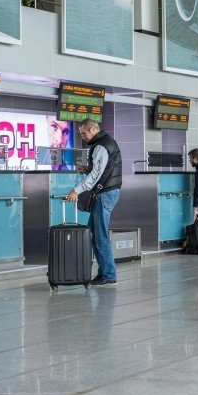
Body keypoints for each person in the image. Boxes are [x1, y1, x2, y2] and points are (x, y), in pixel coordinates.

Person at [67, 119, 122, 285]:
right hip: (108, 192)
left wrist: (76, 190)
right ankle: (104, 273)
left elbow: (95, 176)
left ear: (93, 129)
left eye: (84, 133)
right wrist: (87, 168)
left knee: (100, 235)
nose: (83, 136)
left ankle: (109, 275)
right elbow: (104, 169)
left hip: (105, 193)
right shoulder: (105, 142)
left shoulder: (101, 146)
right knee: (94, 232)